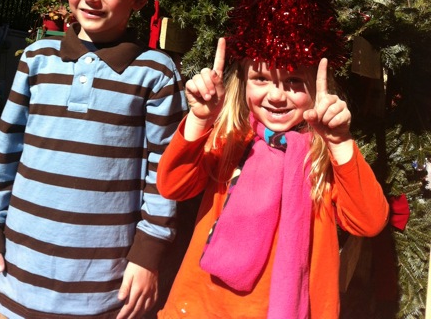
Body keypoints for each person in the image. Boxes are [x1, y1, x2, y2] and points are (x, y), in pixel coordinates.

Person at [0, 0, 187, 319]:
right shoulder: (37, 58)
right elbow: (4, 151)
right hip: (18, 276)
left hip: (104, 286)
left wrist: (149, 253)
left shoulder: (155, 73)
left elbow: (165, 173)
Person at [157, 37, 389, 319]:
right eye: (261, 79)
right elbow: (173, 185)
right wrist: (200, 119)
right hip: (203, 306)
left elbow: (369, 221)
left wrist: (339, 142)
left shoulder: (322, 159)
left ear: (317, 86)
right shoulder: (230, 139)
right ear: (243, 81)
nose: (277, 95)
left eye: (293, 80)